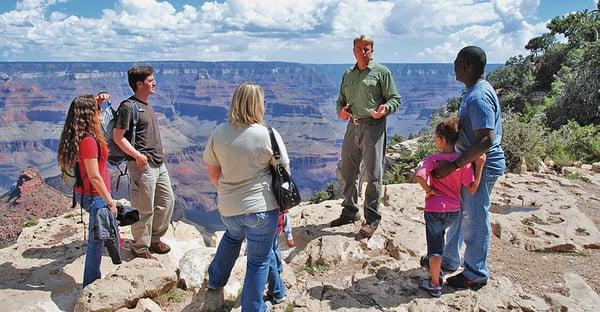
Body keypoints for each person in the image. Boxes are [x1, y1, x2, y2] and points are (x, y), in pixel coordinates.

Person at [203, 82, 289, 312]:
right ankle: (253, 308)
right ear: (258, 104)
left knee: (232, 237)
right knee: (258, 261)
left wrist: (228, 194)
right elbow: (285, 172)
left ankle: (215, 279)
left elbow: (213, 173)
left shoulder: (218, 133)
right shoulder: (268, 134)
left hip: (229, 209)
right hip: (261, 209)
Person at [431, 46, 506, 289]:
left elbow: (485, 139)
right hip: (470, 164)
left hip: (481, 166)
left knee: (474, 218)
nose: (453, 65)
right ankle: (451, 259)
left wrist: (453, 165)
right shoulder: (474, 91)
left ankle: (476, 273)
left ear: (467, 66)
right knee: (462, 213)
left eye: (456, 61)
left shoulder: (478, 96)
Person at [330, 34, 402, 240]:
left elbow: (395, 98)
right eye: (359, 48)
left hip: (373, 127)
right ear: (353, 51)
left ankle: (371, 219)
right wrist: (340, 111)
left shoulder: (381, 72)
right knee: (347, 171)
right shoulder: (348, 74)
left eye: (367, 48)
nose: (363, 52)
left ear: (372, 50)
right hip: (352, 126)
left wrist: (385, 109)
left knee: (372, 174)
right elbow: (340, 100)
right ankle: (349, 211)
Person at [414, 117, 486, 297]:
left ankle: (435, 284)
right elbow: (471, 188)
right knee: (444, 237)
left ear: (440, 139)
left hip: (434, 211)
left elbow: (419, 176)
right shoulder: (463, 163)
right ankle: (441, 267)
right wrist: (480, 167)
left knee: (435, 247)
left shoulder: (432, 160)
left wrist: (429, 191)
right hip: (453, 211)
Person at [112, 65, 175, 259]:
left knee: (167, 201)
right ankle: (140, 247)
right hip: (142, 165)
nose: (154, 83)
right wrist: (137, 155)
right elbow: (117, 136)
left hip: (158, 163)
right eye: (150, 80)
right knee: (144, 208)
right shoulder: (128, 106)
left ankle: (154, 239)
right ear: (139, 84)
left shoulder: (146, 104)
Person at [57, 93, 118, 288]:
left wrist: (98, 102)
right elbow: (94, 176)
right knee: (97, 242)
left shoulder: (78, 135)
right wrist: (110, 200)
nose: (101, 113)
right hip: (95, 196)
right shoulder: (88, 141)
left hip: (86, 193)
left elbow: (102, 125)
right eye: (97, 110)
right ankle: (90, 285)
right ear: (89, 114)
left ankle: (94, 278)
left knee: (101, 237)